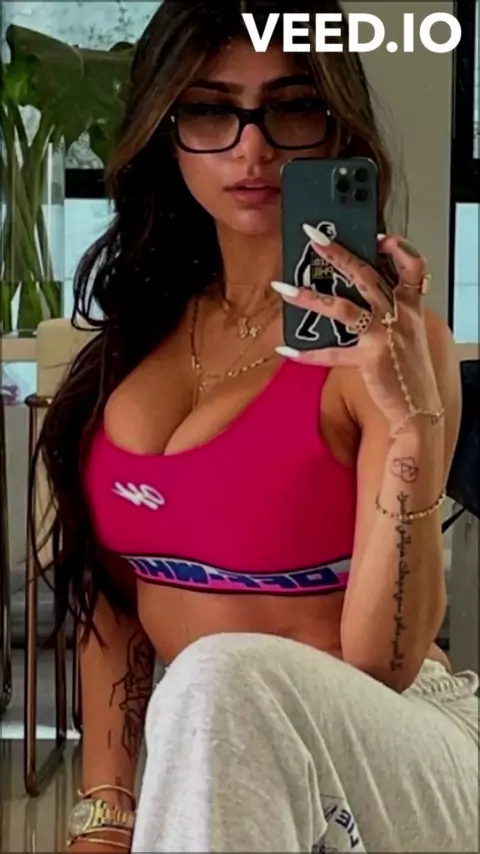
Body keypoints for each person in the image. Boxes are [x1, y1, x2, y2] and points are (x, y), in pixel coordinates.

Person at [33, 1, 478, 852]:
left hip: (400, 744)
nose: (252, 149)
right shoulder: (137, 339)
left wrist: (412, 433)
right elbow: (111, 600)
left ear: (335, 126)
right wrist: (106, 816)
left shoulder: (390, 346)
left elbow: (379, 668)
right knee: (209, 690)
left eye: (291, 107)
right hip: (224, 754)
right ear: (165, 132)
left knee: (217, 675)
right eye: (210, 110)